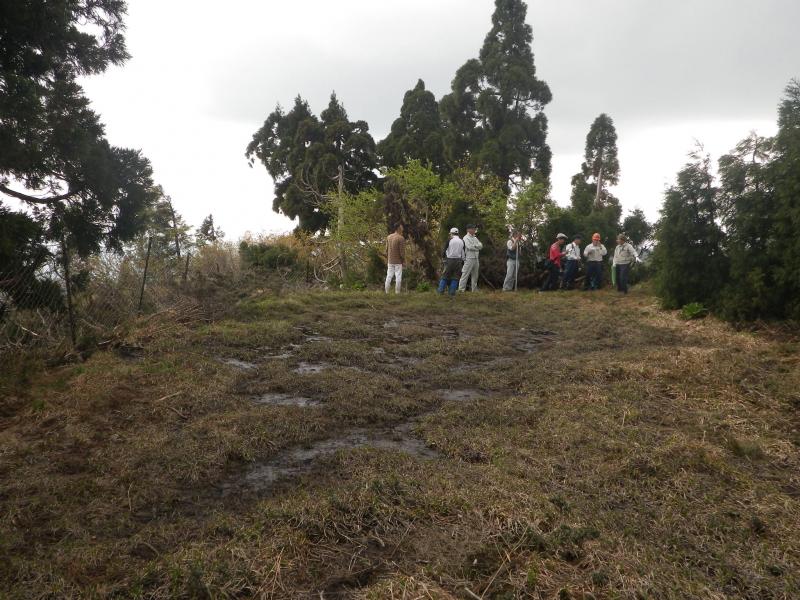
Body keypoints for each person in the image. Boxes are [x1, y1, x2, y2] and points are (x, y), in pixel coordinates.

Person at [437, 227, 465, 297]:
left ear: (451, 233)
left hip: (449, 260)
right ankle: (452, 292)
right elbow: (463, 252)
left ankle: (440, 291)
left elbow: (444, 250)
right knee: (455, 277)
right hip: (458, 261)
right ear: (457, 233)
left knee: (445, 276)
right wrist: (463, 260)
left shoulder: (449, 240)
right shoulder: (462, 241)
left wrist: (443, 258)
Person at [458, 225, 483, 292]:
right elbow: (469, 247)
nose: (474, 230)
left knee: (475, 275)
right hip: (469, 258)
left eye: (474, 229)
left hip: (476, 258)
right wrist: (477, 247)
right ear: (468, 230)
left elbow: (481, 245)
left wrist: (475, 246)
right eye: (473, 229)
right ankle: (461, 289)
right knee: (465, 274)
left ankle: (474, 290)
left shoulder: (475, 238)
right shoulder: (465, 238)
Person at [385, 223, 406, 294]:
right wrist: (403, 260)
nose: (402, 228)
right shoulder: (401, 238)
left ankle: (387, 292)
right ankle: (397, 292)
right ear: (398, 228)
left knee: (389, 276)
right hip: (398, 261)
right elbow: (402, 252)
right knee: (398, 277)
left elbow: (386, 249)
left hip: (390, 260)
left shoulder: (388, 237)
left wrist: (387, 258)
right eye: (401, 226)